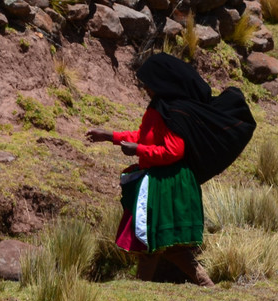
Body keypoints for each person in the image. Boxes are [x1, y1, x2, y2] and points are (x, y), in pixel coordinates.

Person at [86, 53, 216, 287]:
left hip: (169, 183)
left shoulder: (174, 112)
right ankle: (205, 284)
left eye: (148, 82)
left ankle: (140, 288)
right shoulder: (159, 108)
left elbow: (173, 151)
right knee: (167, 244)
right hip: (161, 180)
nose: (144, 87)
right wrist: (110, 136)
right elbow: (146, 137)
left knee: (150, 239)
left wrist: (139, 150)